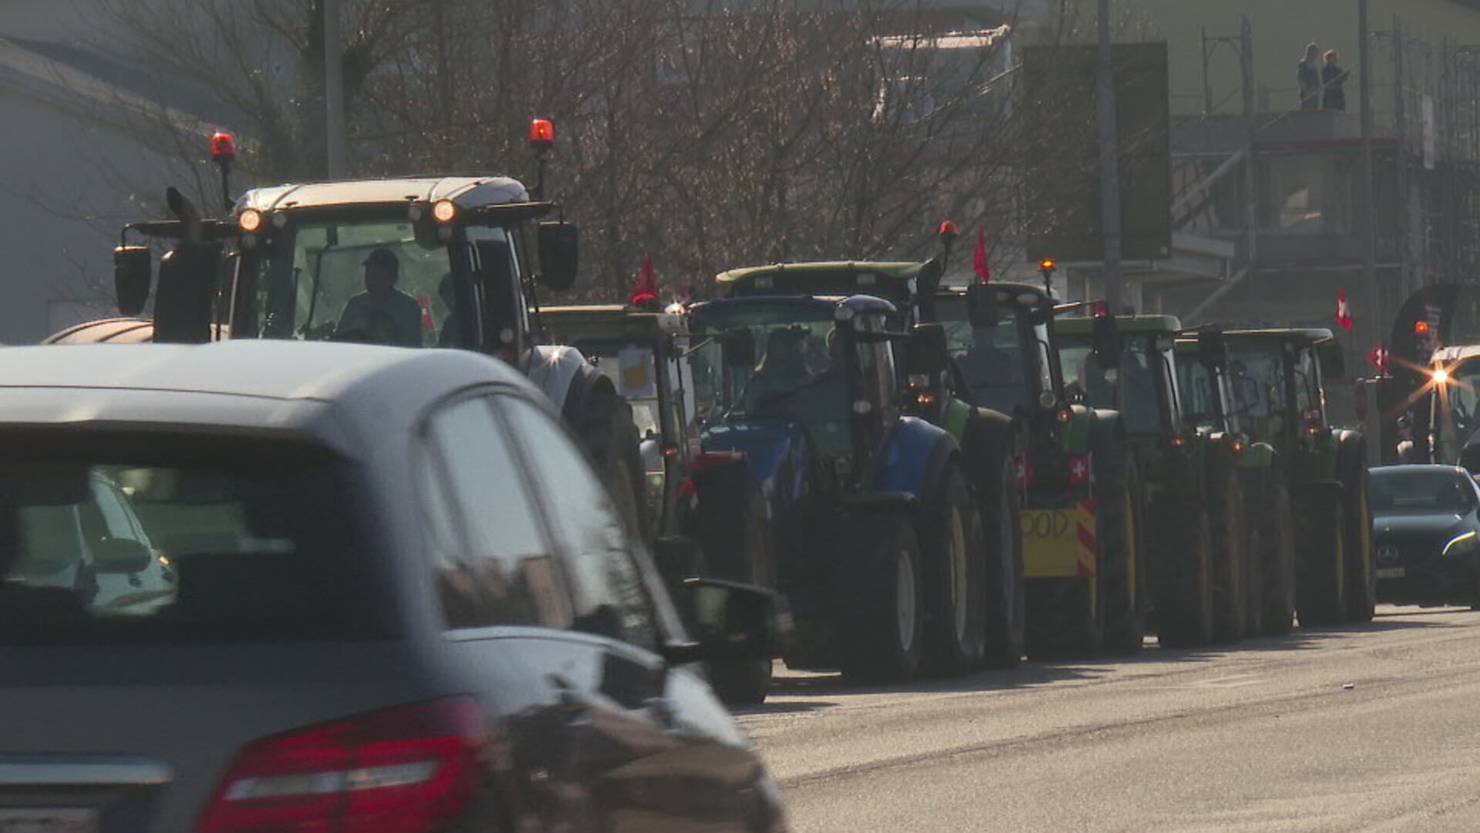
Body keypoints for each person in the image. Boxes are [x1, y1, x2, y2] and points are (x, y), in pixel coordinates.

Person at [337, 248, 424, 347]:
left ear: (393, 277)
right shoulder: (355, 305)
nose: (371, 279)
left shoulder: (409, 307)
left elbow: (412, 346)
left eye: (377, 274)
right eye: (368, 273)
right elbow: (340, 341)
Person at [1297, 43, 1322, 110]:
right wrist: (1306, 90)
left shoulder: (1314, 66)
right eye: (1315, 52)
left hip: (1314, 94)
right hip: (1306, 94)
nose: (1316, 55)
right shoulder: (1303, 64)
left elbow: (1317, 80)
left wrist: (1319, 87)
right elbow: (1300, 78)